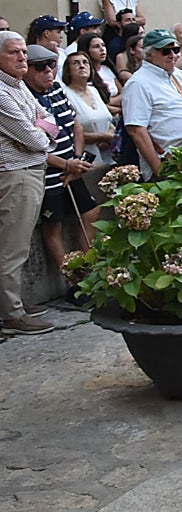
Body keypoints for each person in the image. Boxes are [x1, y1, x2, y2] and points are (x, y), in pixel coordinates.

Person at [24, 44, 99, 275]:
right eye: (40, 67)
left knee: (90, 211)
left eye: (51, 65)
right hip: (48, 173)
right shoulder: (25, 98)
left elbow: (75, 125)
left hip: (71, 166)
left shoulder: (56, 88)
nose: (48, 71)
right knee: (53, 225)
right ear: (26, 70)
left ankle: (87, 270)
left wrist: (75, 161)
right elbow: (31, 146)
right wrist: (66, 165)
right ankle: (71, 277)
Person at [0, 33, 57, 336]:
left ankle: (14, 304)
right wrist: (39, 132)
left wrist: (39, 131)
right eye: (14, 53)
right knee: (13, 247)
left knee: (15, 245)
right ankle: (12, 314)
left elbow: (50, 122)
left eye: (23, 52)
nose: (22, 57)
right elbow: (36, 137)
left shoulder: (18, 85)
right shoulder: (1, 92)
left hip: (31, 169)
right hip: (16, 175)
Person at [121, 29, 182, 179]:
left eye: (175, 50)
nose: (173, 55)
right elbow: (137, 131)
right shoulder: (138, 83)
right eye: (166, 51)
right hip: (169, 165)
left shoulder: (177, 74)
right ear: (149, 54)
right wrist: (160, 171)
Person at [61, 51, 116, 166]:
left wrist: (110, 137)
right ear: (68, 70)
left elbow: (108, 120)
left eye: (85, 62)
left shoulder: (94, 91)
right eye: (76, 63)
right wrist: (102, 137)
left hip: (109, 156)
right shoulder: (64, 94)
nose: (82, 66)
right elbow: (69, 132)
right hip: (86, 160)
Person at [77, 32, 122, 114]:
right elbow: (95, 102)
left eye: (103, 45)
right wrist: (115, 107)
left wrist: (109, 102)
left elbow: (124, 94)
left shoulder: (107, 69)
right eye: (96, 46)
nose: (102, 49)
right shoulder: (83, 73)